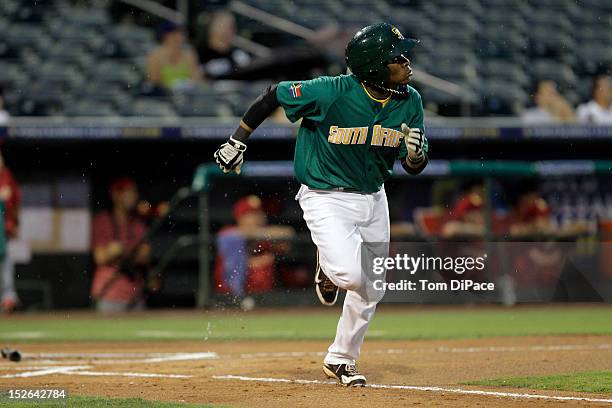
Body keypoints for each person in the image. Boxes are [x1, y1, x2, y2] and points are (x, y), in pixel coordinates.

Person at [214, 23, 428, 386]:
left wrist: (416, 154)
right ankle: (328, 267)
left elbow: (413, 166)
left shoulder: (411, 101)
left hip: (374, 196)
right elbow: (273, 95)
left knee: (372, 286)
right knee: (352, 274)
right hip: (325, 195)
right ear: (375, 66)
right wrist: (238, 141)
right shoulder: (330, 92)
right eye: (397, 57)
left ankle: (342, 357)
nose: (407, 63)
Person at [214, 195, 294, 310]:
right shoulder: (229, 234)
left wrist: (260, 235)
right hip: (229, 299)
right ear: (240, 217)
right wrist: (254, 262)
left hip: (264, 299)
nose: (257, 218)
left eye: (259, 213)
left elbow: (288, 235)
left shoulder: (264, 237)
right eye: (251, 215)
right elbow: (231, 238)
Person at [90, 178, 151, 313]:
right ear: (116, 195)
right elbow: (100, 257)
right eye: (129, 193)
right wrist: (121, 251)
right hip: (109, 292)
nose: (133, 197)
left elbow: (145, 255)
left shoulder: (137, 223)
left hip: (135, 293)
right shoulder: (102, 220)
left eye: (134, 193)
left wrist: (120, 251)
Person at [147, 21, 203, 91]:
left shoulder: (189, 54)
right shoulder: (155, 56)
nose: (180, 36)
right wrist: (172, 87)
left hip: (187, 94)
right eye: (175, 33)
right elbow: (154, 81)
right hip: (164, 96)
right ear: (165, 35)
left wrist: (185, 84)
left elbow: (197, 78)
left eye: (182, 33)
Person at [197, 10, 251, 79]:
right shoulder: (199, 51)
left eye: (233, 27)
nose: (233, 31)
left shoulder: (237, 54)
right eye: (229, 27)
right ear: (215, 28)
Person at [0, 153, 20, 313]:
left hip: (4, 234)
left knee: (6, 266)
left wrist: (14, 224)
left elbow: (13, 200)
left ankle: (8, 298)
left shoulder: (6, 175)